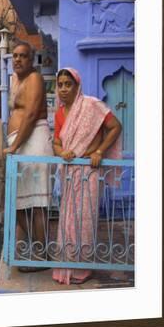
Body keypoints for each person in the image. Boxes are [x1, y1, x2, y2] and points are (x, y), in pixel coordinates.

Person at [51, 67, 122, 285]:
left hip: (89, 172)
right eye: (60, 84)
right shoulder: (60, 113)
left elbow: (115, 127)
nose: (63, 89)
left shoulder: (91, 106)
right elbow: (56, 143)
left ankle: (82, 268)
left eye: (68, 84)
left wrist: (100, 151)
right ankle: (65, 265)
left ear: (77, 86)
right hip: (70, 173)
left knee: (84, 218)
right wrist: (63, 152)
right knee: (67, 219)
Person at [3, 41, 53, 272]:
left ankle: (42, 255)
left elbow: (31, 114)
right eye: (14, 56)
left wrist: (15, 146)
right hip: (19, 143)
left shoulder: (34, 78)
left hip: (32, 141)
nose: (18, 59)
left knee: (37, 203)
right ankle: (38, 249)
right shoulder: (15, 80)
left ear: (31, 59)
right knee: (19, 204)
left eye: (23, 56)